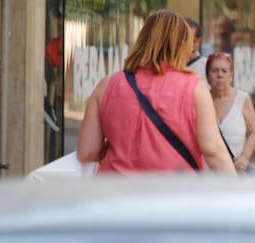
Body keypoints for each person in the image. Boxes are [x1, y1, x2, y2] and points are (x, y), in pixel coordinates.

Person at [77, 9, 236, 176]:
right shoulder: (194, 87)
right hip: (172, 195)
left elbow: (87, 151)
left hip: (115, 195)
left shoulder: (107, 85)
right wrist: (238, 194)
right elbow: (213, 151)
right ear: (182, 46)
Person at [206, 53, 255, 174]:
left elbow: (254, 132)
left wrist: (245, 157)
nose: (220, 75)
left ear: (231, 76)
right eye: (215, 71)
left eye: (224, 71)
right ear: (208, 76)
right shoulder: (202, 99)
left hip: (236, 171)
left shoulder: (242, 98)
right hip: (208, 172)